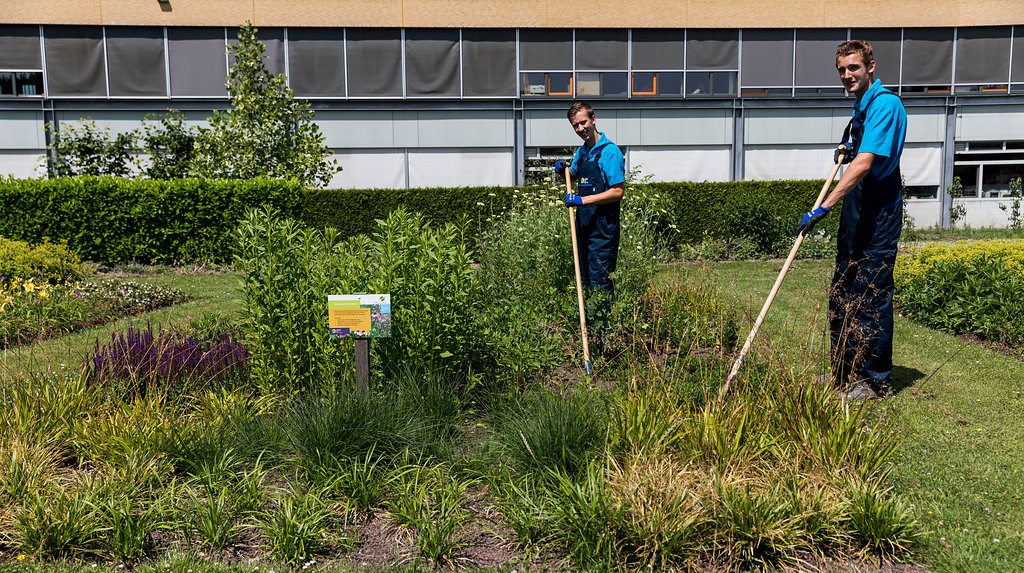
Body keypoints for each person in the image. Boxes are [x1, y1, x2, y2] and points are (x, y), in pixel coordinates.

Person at [797, 40, 907, 400]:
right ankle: (842, 375)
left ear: (870, 66)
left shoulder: (885, 104)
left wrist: (824, 207)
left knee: (870, 296)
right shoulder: (862, 106)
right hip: (857, 213)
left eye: (854, 67)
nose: (847, 75)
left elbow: (864, 164)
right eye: (842, 70)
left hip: (879, 214)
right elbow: (858, 151)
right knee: (842, 292)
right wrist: (848, 146)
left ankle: (874, 381)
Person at [554, 102, 625, 319]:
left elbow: (617, 192)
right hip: (584, 227)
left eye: (583, 122)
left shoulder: (610, 152)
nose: (580, 128)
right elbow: (573, 174)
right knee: (584, 279)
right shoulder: (582, 152)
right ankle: (590, 329)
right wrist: (563, 171)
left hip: (603, 230)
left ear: (593, 119)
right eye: (575, 125)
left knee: (600, 282)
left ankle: (605, 332)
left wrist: (582, 200)